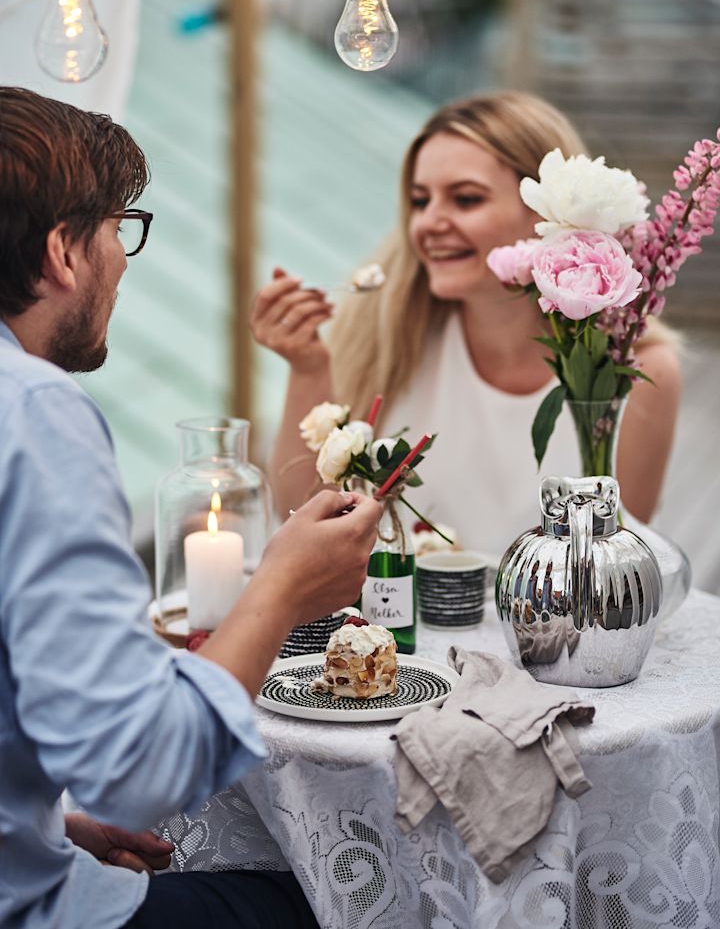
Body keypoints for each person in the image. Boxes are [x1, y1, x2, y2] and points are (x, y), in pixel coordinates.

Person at [0, 86, 382, 929]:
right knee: (341, 892)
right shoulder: (32, 411)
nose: (125, 261)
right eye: (118, 229)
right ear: (64, 251)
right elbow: (141, 771)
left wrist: (42, 828)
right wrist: (278, 589)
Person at [251, 92, 681, 556]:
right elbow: (298, 516)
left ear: (549, 212)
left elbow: (616, 562)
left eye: (465, 198)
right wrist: (308, 368)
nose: (429, 222)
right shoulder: (382, 333)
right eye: (420, 200)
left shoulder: (639, 374)